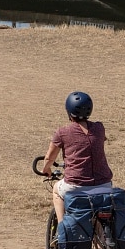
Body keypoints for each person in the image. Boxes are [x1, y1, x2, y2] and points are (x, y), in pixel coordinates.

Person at [42, 91, 112, 222]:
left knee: (57, 191)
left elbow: (49, 159)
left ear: (69, 111)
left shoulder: (62, 132)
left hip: (76, 186)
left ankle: (63, 228)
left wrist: (46, 170)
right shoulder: (99, 128)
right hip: (104, 185)